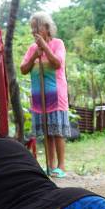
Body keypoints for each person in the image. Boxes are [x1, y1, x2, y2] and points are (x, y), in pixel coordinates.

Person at [20, 12, 70, 178]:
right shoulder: (32, 49)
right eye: (32, 27)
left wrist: (45, 47)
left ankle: (61, 166)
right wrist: (35, 53)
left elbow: (57, 63)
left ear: (47, 28)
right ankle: (49, 165)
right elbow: (23, 69)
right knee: (47, 133)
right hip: (38, 97)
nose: (33, 30)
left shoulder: (58, 43)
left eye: (37, 27)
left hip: (56, 95)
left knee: (57, 132)